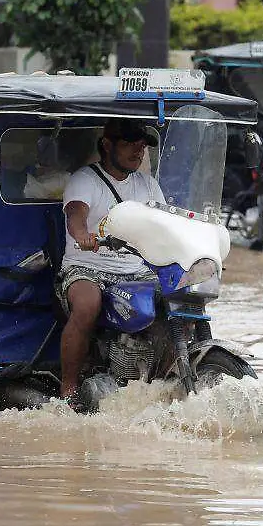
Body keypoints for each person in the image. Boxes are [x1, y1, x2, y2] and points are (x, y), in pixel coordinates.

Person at [57, 119, 165, 410]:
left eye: (142, 146)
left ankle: (166, 380)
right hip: (86, 266)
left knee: (178, 300)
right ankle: (69, 388)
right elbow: (76, 215)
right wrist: (82, 236)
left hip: (137, 269)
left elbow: (165, 223)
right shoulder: (86, 179)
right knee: (87, 305)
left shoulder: (148, 185)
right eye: (130, 144)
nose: (138, 152)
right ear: (107, 145)